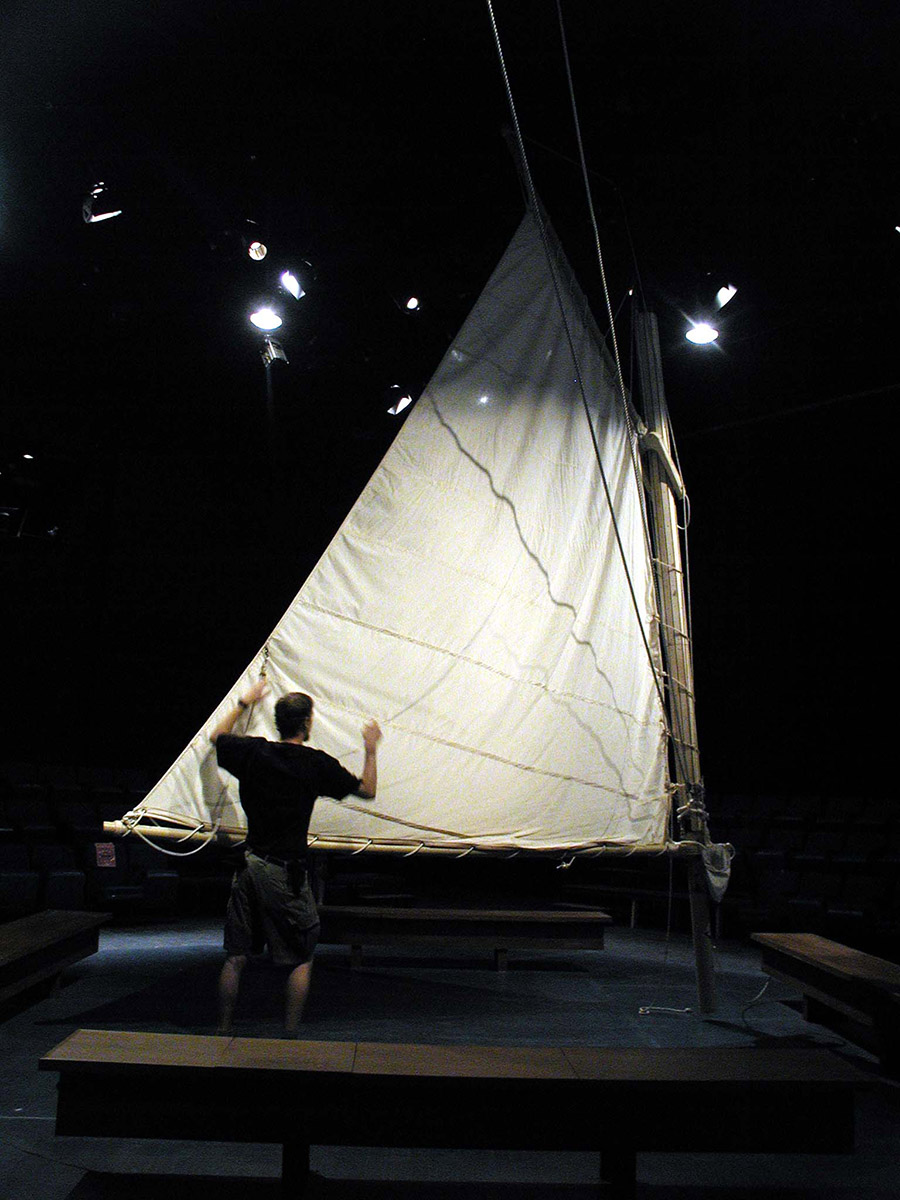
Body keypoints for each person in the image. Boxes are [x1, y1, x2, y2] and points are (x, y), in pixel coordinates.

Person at [210, 677, 382, 1036]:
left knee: (235, 957)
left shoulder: (254, 753)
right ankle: (289, 1039)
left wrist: (244, 701)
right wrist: (370, 749)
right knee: (302, 956)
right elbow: (367, 790)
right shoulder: (314, 763)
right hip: (284, 873)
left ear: (278, 722)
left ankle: (222, 1033)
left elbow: (217, 737)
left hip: (249, 866)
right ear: (306, 723)